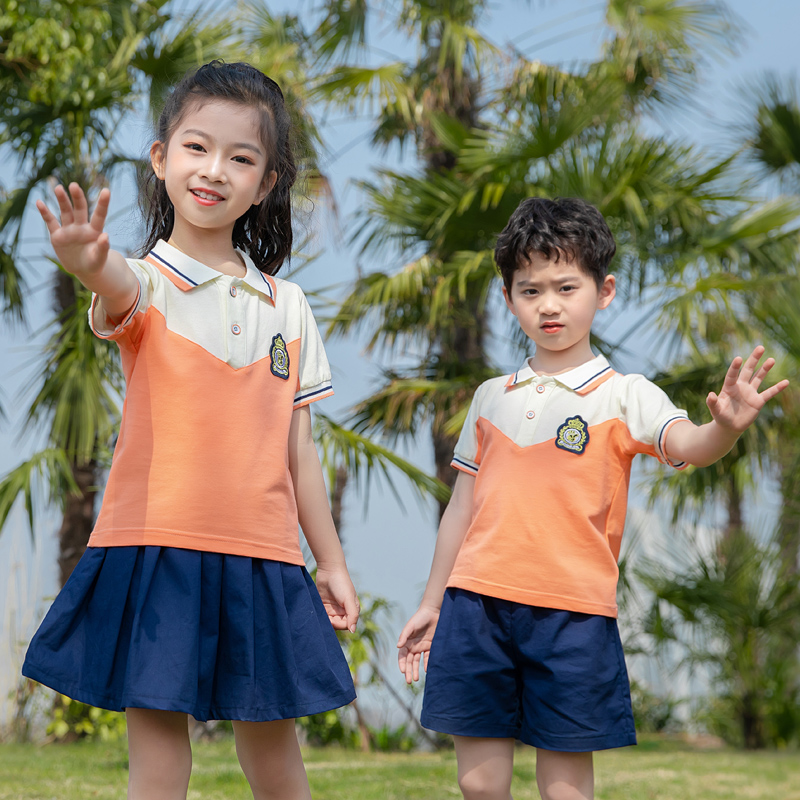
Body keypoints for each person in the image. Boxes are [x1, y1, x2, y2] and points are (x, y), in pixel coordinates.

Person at [23, 61, 358, 800]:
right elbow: (115, 286)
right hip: (160, 546)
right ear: (161, 158)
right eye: (197, 148)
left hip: (264, 556)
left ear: (267, 183)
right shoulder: (147, 283)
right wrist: (88, 263)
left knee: (276, 756)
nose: (215, 171)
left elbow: (298, 447)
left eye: (241, 158)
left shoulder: (289, 305)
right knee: (158, 750)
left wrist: (327, 560)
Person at [397, 196, 789, 800]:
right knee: (478, 784)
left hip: (572, 616)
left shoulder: (627, 395)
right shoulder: (490, 396)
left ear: (603, 291)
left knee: (565, 789)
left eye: (565, 286)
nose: (548, 305)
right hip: (475, 607)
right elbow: (461, 508)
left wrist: (728, 427)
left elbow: (690, 442)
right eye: (529, 290)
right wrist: (432, 601)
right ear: (508, 298)